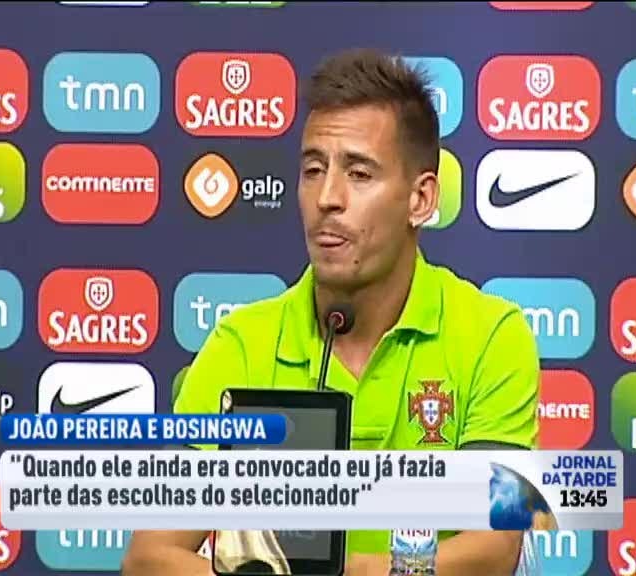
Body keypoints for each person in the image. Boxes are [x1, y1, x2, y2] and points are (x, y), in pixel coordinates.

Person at [122, 47, 540, 576]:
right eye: (313, 170)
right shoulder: (242, 344)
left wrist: (342, 572)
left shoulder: (492, 336)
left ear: (420, 199)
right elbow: (149, 556)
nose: (327, 198)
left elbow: (492, 550)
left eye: (359, 174)